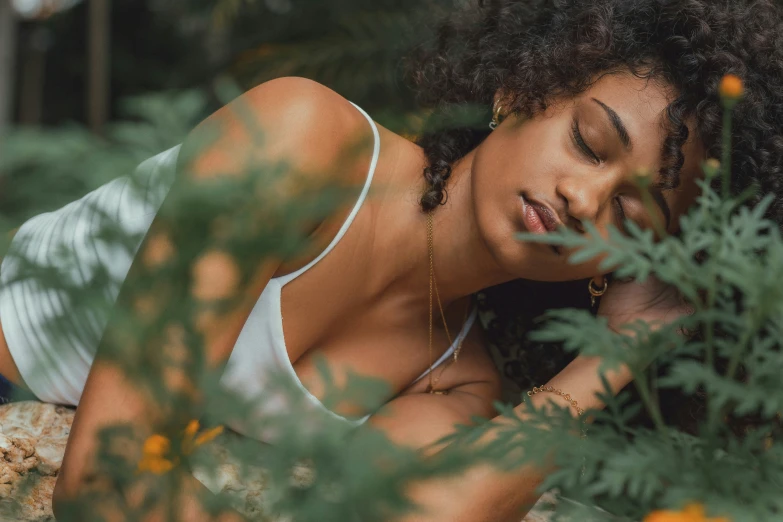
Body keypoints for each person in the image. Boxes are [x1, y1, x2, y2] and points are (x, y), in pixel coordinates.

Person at [0, 0, 781, 520]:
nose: (582, 198)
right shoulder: (302, 142)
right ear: (519, 89)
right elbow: (101, 487)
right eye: (587, 141)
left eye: (631, 212)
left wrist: (616, 352)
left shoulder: (455, 379)